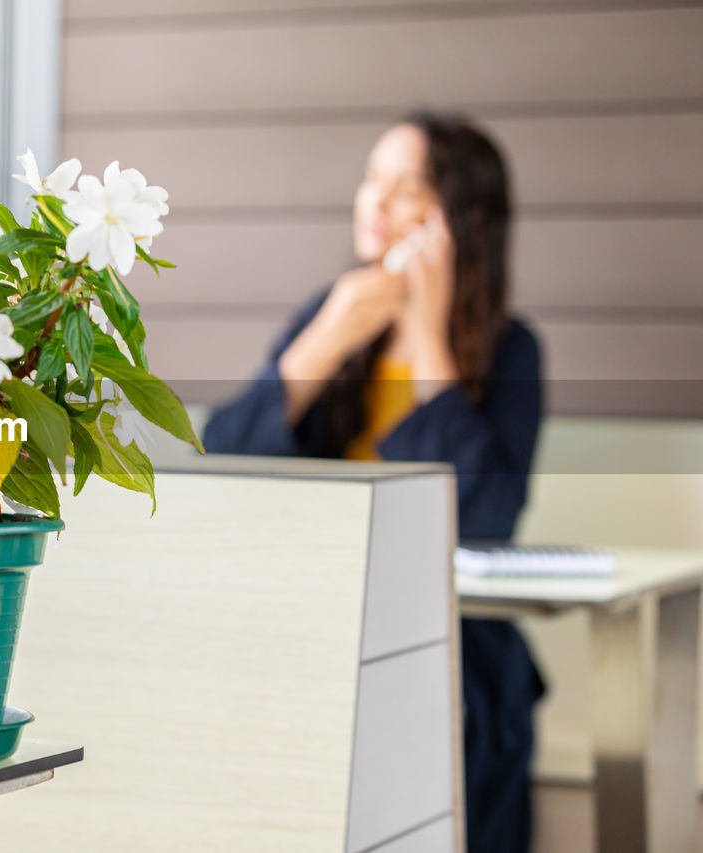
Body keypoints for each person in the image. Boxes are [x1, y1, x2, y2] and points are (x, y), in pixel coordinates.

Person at [202, 111, 545, 853]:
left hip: (452, 648)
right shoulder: (330, 318)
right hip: (315, 624)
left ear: (460, 216)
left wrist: (424, 338)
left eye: (405, 187)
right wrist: (326, 338)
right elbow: (221, 461)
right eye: (370, 180)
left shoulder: (511, 351)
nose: (375, 202)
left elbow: (485, 512)